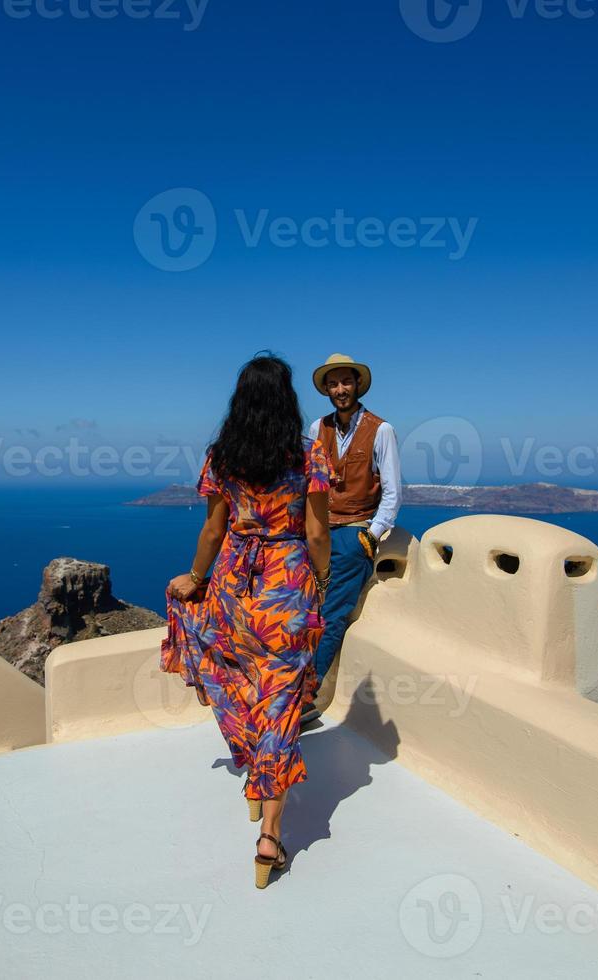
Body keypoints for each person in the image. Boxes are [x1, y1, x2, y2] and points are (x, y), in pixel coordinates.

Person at [161, 354, 332, 890]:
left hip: (236, 585)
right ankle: (270, 837)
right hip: (286, 587)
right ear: (287, 399)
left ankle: (257, 788)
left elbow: (213, 532)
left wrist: (194, 576)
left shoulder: (223, 456)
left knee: (237, 678)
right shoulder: (309, 455)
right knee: (280, 703)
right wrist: (320, 586)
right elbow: (318, 534)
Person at [299, 353, 402, 725]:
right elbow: (309, 482)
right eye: (333, 383)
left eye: (346, 382)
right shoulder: (316, 428)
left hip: (354, 531)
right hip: (317, 530)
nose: (340, 389)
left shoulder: (381, 429)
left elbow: (392, 491)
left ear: (357, 385)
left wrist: (371, 536)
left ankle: (305, 699)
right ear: (326, 388)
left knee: (332, 615)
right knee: (300, 609)